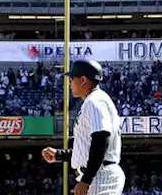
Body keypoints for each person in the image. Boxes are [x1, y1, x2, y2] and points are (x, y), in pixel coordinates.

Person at [41, 59, 125, 195]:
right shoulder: (96, 100)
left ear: (83, 80)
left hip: (100, 177)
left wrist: (86, 180)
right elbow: (88, 149)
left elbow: (101, 139)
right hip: (99, 174)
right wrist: (59, 155)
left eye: (72, 78)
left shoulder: (94, 101)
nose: (69, 83)